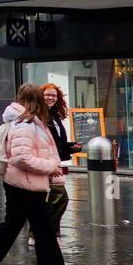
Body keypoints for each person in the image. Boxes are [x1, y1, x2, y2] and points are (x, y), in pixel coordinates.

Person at [0, 85, 68, 265]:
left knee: (17, 224)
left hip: (29, 182)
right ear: (36, 101)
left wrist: (54, 172)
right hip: (22, 184)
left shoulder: (32, 122)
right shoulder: (25, 124)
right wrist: (50, 167)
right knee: (42, 227)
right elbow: (21, 158)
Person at [28, 83, 81, 246]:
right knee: (57, 197)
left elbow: (57, 142)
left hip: (54, 163)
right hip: (44, 163)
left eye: (53, 96)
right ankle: (41, 233)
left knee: (51, 199)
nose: (50, 98)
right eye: (47, 95)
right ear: (40, 96)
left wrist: (71, 147)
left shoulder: (55, 116)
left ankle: (46, 232)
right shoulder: (39, 116)